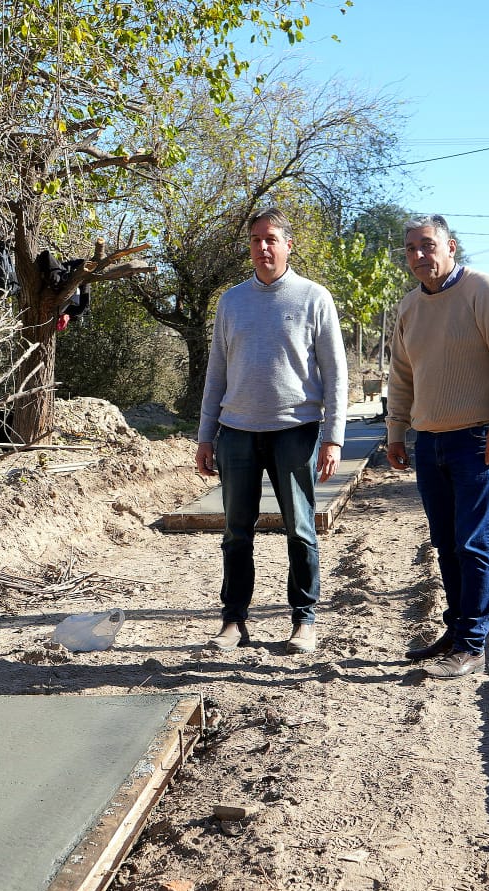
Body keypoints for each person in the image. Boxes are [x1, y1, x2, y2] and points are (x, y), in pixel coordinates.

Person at [195, 207, 347, 654]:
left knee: (300, 528)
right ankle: (233, 620)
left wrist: (334, 437)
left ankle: (304, 620)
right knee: (236, 531)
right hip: (236, 431)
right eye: (257, 240)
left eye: (272, 239)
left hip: (295, 429)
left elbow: (335, 374)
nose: (264, 247)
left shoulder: (314, 298)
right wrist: (206, 436)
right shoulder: (232, 301)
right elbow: (216, 374)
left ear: (288, 244)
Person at [385, 214, 489, 679]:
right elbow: (401, 377)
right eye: (411, 249)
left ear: (451, 247)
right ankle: (456, 630)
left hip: (476, 440)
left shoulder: (484, 291)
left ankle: (472, 645)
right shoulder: (409, 308)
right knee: (445, 544)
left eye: (427, 246)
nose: (419, 256)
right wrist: (395, 431)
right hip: (429, 442)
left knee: (474, 543)